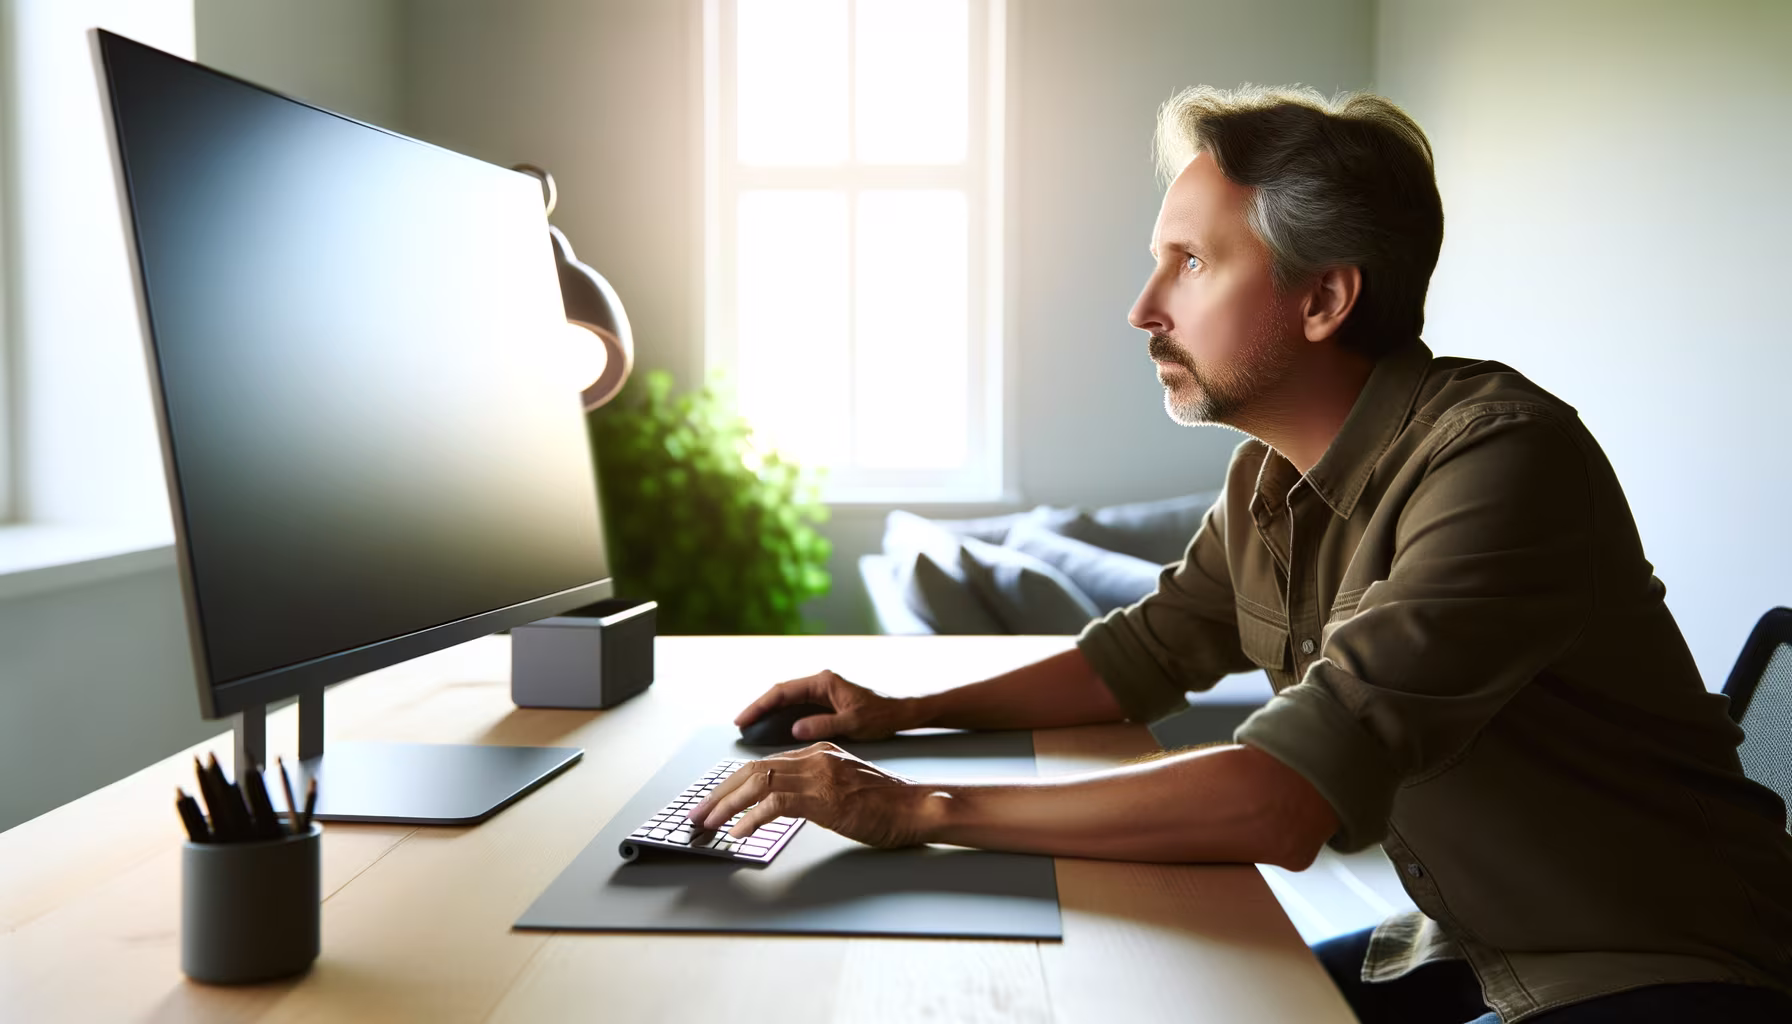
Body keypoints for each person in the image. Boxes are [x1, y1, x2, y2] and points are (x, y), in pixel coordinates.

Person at [687, 85, 1792, 1024]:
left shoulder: (1502, 465)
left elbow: (1283, 800)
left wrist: (916, 810)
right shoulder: (1266, 477)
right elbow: (1139, 654)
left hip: (1667, 962)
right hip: (1475, 931)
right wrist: (894, 711)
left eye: (1189, 263)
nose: (1141, 309)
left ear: (1323, 298)